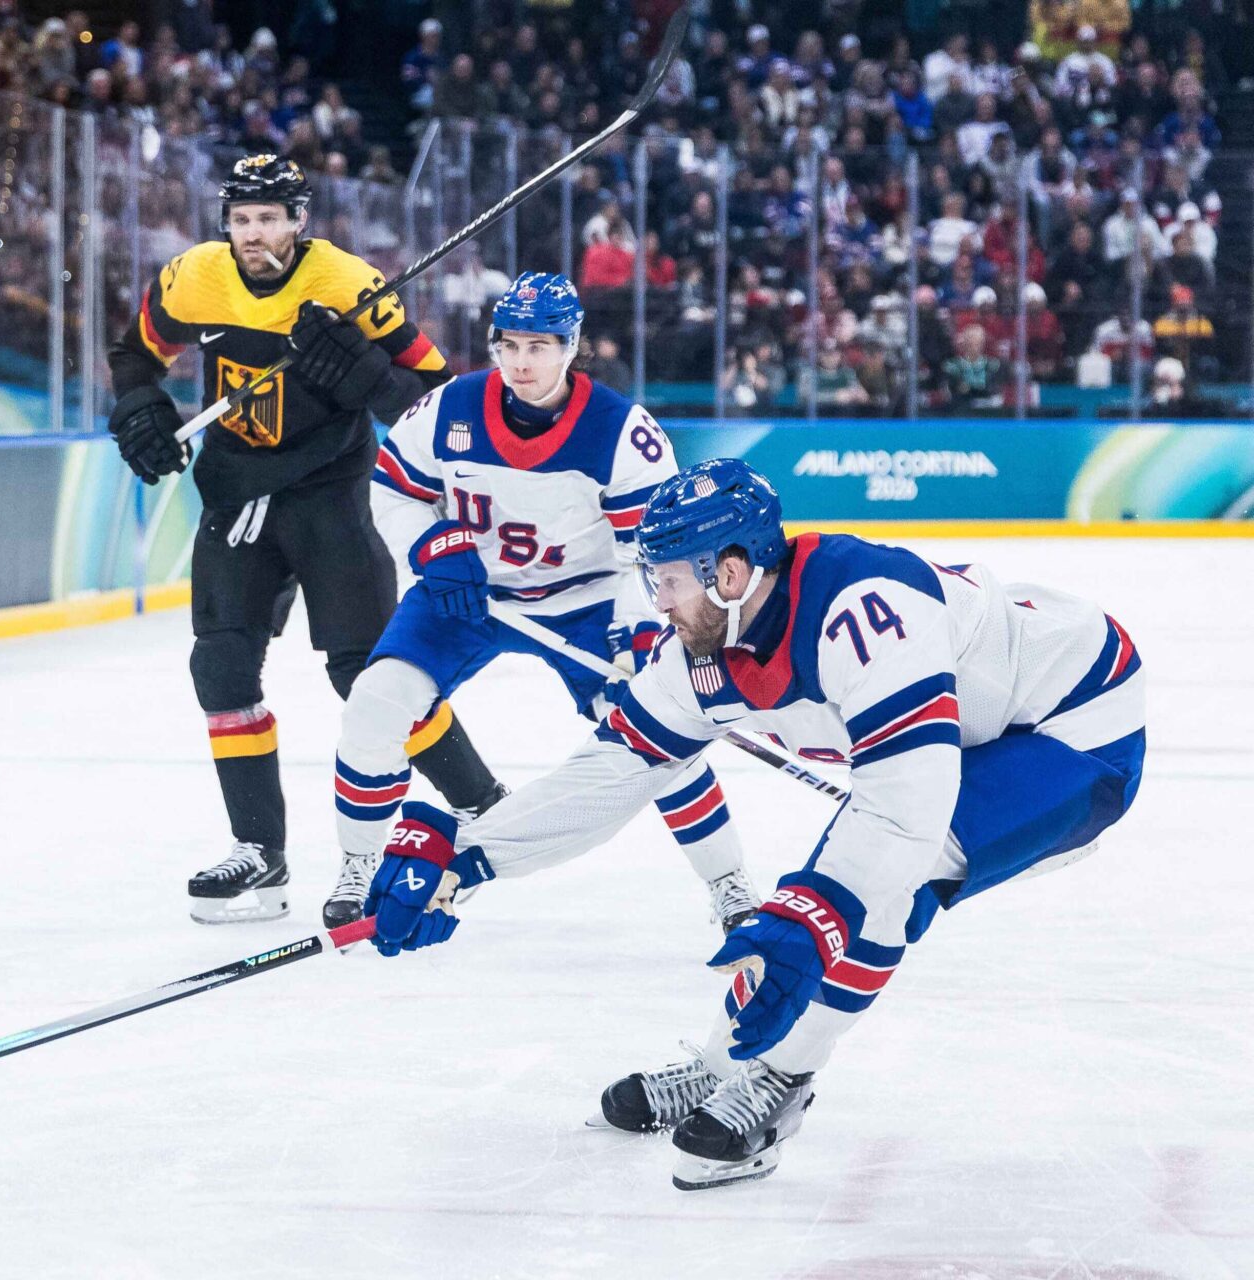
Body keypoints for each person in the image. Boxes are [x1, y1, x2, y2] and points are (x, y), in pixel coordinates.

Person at [356, 460, 1146, 1190]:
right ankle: (722, 1063)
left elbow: (908, 810)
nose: (657, 602)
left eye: (668, 580)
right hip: (971, 727)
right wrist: (469, 856)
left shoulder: (867, 613)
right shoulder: (697, 652)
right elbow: (614, 771)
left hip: (1072, 726)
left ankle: (779, 1078)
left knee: (878, 890)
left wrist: (821, 913)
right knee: (836, 892)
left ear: (729, 573)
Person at [106, 154, 496, 926]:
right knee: (220, 666)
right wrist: (139, 406)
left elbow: (437, 405)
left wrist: (366, 377)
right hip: (236, 492)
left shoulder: (348, 284)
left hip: (329, 496)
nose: (253, 233)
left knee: (366, 675)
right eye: (240, 220)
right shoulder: (194, 277)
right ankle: (260, 851)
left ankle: (482, 804)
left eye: (268, 218)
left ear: (299, 220)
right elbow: (134, 354)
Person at [330, 274, 751, 933]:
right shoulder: (448, 409)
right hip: (466, 595)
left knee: (659, 740)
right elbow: (393, 487)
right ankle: (358, 865)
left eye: (539, 346)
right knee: (375, 703)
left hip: (584, 604)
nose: (521, 362)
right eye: (509, 345)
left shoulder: (620, 433)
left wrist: (636, 633)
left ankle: (728, 882)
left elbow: (651, 553)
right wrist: (433, 545)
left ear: (571, 346)